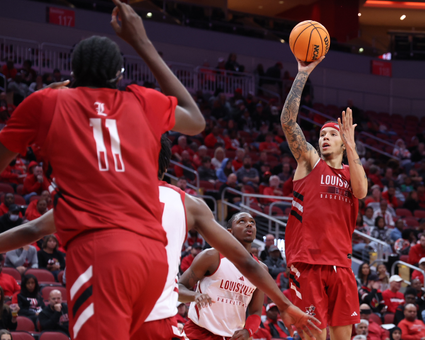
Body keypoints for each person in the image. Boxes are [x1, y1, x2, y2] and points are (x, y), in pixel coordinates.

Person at [0, 0, 209, 337]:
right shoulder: (143, 101)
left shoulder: (48, 102)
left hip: (103, 255)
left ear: (71, 72)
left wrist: (40, 102)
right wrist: (142, 42)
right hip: (152, 260)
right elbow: (196, 120)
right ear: (119, 76)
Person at [0, 139, 319, 340]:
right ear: (166, 166)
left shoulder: (100, 192)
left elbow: (31, 231)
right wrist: (285, 304)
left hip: (103, 312)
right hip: (157, 317)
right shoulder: (190, 204)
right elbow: (247, 263)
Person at [281, 53, 367, 340]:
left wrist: (352, 149)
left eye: (331, 134)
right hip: (308, 264)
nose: (324, 138)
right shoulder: (309, 162)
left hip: (341, 265)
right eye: (321, 135)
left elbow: (362, 191)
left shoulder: (351, 171)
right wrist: (303, 73)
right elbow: (288, 122)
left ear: (343, 141)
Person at [179, 212, 267, 339]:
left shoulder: (261, 269)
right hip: (199, 333)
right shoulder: (211, 256)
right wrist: (195, 295)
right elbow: (179, 288)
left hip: (232, 336)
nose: (249, 224)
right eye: (242, 221)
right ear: (229, 232)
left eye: (252, 222)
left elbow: (256, 311)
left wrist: (248, 331)